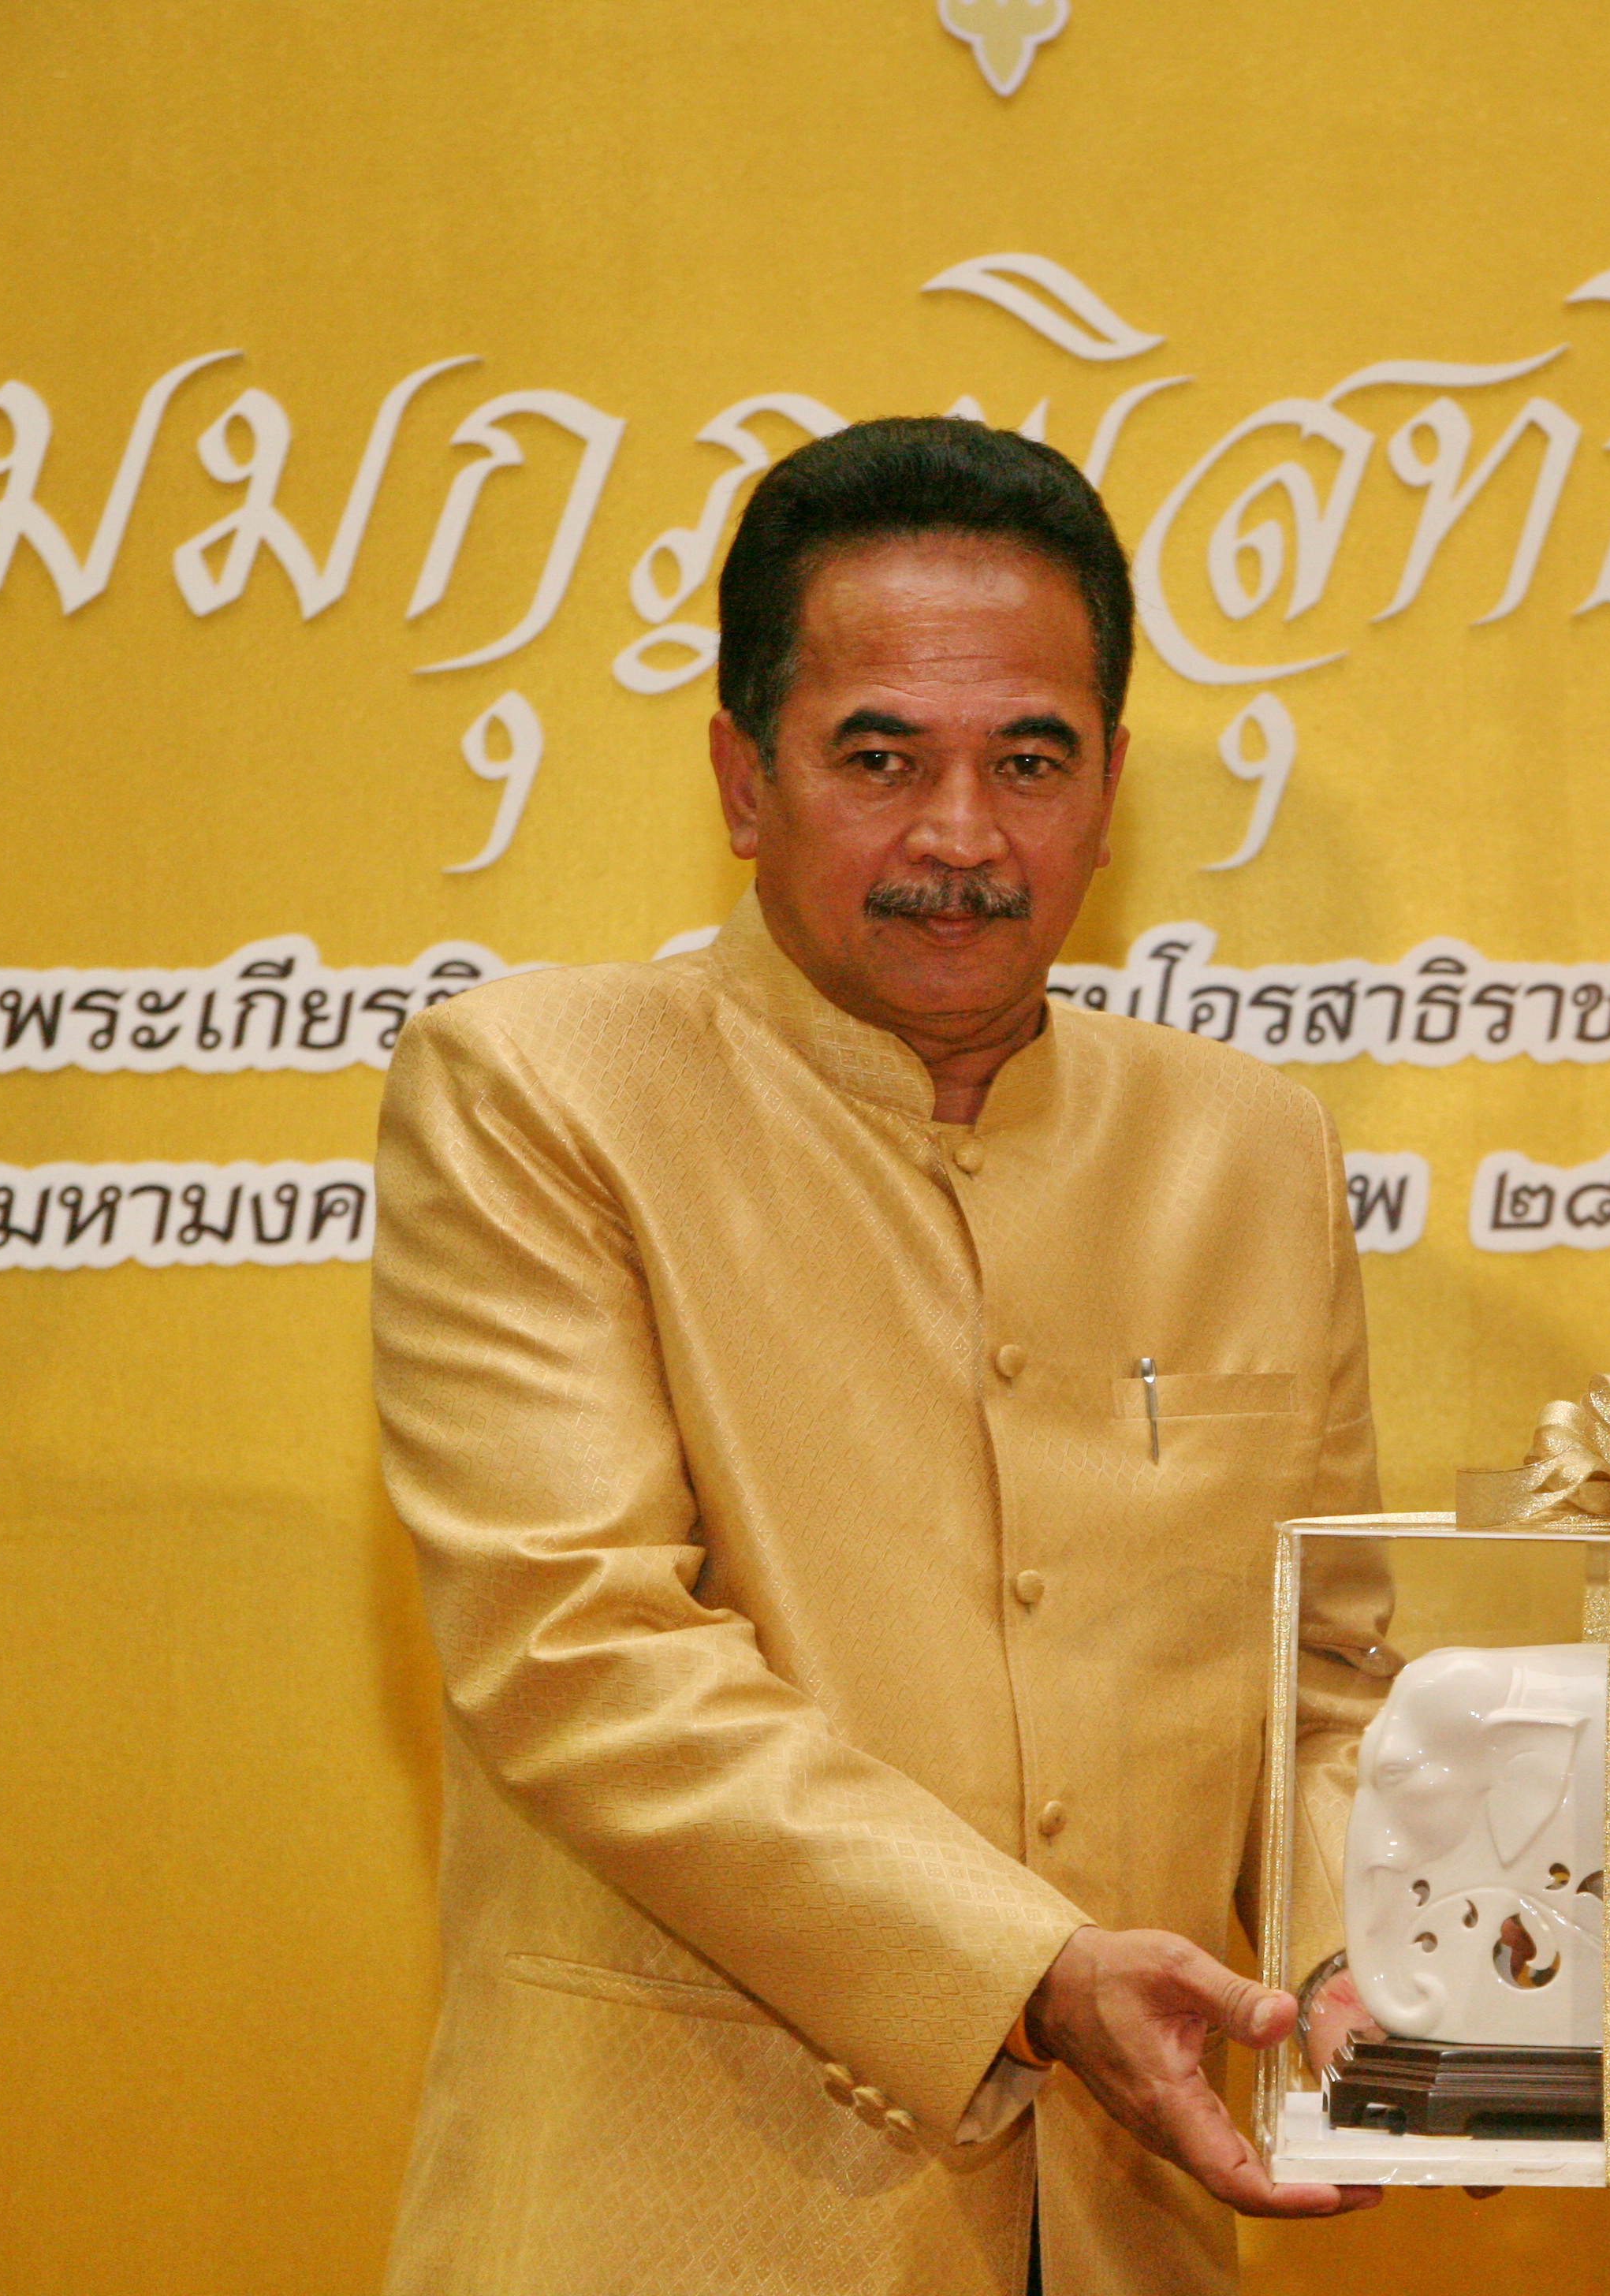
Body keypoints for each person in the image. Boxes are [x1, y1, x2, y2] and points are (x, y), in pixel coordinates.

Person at [370, 417, 1387, 2296]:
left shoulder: (1254, 1146)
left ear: (1111, 785)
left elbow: (1323, 1678)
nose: (961, 837)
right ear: (743, 779)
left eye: (1030, 759)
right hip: (684, 2230)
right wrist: (1035, 1971)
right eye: (879, 756)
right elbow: (577, 1648)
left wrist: (1353, 1975)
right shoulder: (538, 1092)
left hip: (1134, 2228)